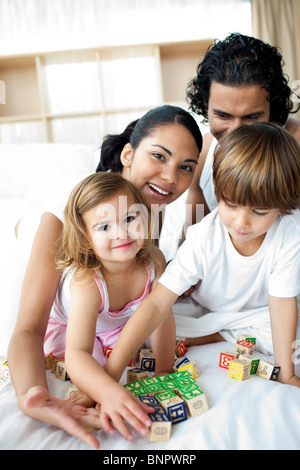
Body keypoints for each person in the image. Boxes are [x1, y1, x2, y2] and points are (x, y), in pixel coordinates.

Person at [8, 105, 202, 447]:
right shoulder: (65, 224)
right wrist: (34, 397)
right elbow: (29, 329)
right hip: (34, 241)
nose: (171, 178)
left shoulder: (145, 213)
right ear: (128, 154)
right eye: (159, 156)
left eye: (185, 167)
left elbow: (153, 297)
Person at [115, 123, 300, 389]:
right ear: (218, 193)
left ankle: (215, 335)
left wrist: (287, 374)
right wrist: (111, 374)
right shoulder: (203, 236)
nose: (241, 222)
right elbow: (156, 304)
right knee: (148, 328)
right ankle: (214, 332)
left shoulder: (290, 231)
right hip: (208, 310)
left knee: (290, 338)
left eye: (259, 212)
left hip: (260, 314)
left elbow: (282, 303)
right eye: (230, 204)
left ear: (282, 207)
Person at [44, 171, 175, 446]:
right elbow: (77, 351)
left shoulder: (154, 261)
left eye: (130, 219)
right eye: (104, 228)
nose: (121, 233)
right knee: (92, 369)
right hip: (70, 327)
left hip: (116, 325)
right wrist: (107, 392)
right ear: (84, 238)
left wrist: (164, 371)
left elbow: (162, 317)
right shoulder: (87, 281)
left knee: (136, 347)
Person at [185, 32, 300, 223]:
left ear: (273, 107)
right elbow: (192, 233)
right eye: (223, 115)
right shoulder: (202, 154)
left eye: (252, 117)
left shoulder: (296, 144)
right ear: (206, 104)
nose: (236, 131)